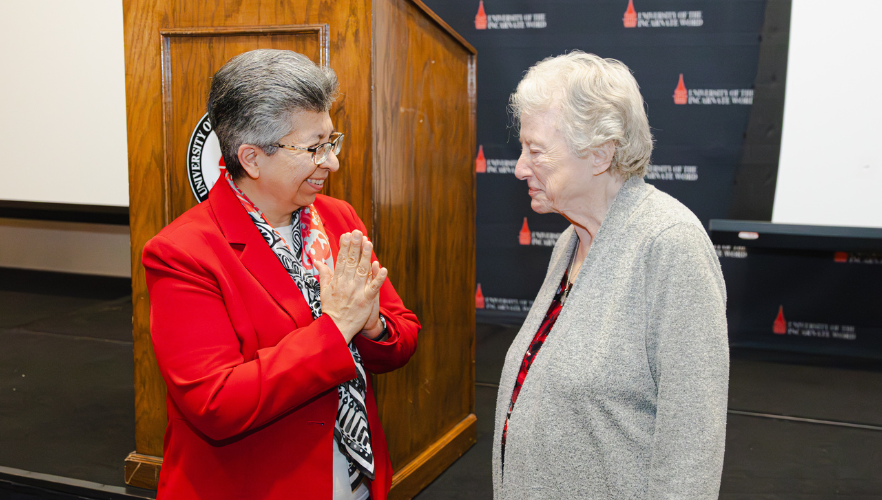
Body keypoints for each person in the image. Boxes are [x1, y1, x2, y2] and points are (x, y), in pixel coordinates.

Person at [143, 49, 419, 500]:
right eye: (314, 148)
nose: (332, 162)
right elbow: (215, 403)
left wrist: (372, 326)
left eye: (331, 142)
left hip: (355, 478)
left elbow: (403, 336)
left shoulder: (338, 218)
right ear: (252, 158)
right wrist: (337, 328)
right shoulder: (184, 252)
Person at [493, 51, 729, 499]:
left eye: (536, 151)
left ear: (600, 153)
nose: (520, 167)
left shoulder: (670, 244)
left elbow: (691, 445)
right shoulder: (570, 242)